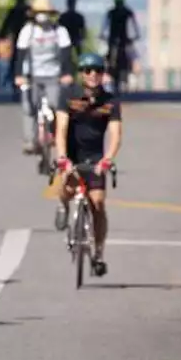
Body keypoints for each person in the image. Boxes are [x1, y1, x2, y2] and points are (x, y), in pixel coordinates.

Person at [53, 53, 122, 276]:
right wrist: (63, 157)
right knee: (67, 188)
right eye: (88, 70)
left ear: (103, 74)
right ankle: (63, 205)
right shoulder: (69, 95)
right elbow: (61, 129)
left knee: (98, 203)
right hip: (72, 155)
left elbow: (115, 133)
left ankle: (99, 254)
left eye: (98, 70)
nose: (93, 74)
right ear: (81, 73)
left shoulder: (110, 102)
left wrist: (108, 158)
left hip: (95, 158)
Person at [14, 0, 73, 154]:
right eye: (39, 12)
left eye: (45, 12)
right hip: (31, 75)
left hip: (53, 75)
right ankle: (30, 141)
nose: (42, 15)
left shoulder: (59, 31)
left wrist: (67, 73)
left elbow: (66, 53)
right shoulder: (28, 31)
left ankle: (55, 134)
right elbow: (21, 53)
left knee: (56, 104)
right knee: (29, 108)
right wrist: (19, 75)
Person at [102, 0, 140, 93]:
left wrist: (102, 34)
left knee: (112, 55)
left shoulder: (111, 12)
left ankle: (117, 71)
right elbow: (134, 24)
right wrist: (136, 34)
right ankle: (125, 71)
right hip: (122, 38)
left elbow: (105, 24)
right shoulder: (127, 11)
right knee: (125, 55)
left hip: (115, 38)